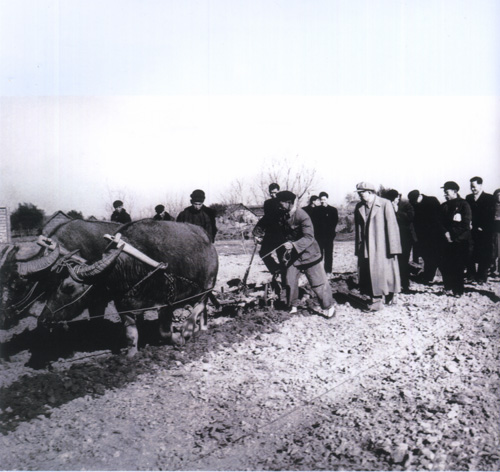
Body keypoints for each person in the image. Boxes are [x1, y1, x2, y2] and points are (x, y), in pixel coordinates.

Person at [273, 190, 336, 318]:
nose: (279, 206)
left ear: (289, 203)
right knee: (290, 281)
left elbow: (309, 237)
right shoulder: (283, 214)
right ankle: (293, 305)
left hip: (309, 254)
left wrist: (294, 245)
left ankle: (329, 306)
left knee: (318, 282)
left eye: (281, 203)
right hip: (293, 256)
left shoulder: (302, 216)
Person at [354, 182, 401, 310]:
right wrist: (358, 248)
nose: (359, 195)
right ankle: (376, 300)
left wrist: (394, 248)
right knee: (369, 272)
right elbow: (358, 229)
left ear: (370, 192)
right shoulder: (359, 206)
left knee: (387, 272)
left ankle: (390, 295)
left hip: (382, 246)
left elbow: (392, 226)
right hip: (366, 247)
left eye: (361, 193)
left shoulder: (385, 204)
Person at [440, 181, 472, 297]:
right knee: (445, 264)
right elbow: (440, 222)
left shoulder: (464, 205)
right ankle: (448, 287)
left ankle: (458, 290)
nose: (445, 194)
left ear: (454, 191)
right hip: (445, 240)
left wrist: (453, 236)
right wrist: (445, 233)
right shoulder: (444, 205)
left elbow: (466, 224)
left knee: (458, 266)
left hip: (460, 241)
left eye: (447, 192)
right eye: (444, 192)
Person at [408, 189, 445, 283]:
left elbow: (439, 217)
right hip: (423, 236)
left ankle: (446, 278)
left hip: (435, 234)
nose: (415, 203)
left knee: (438, 256)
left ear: (419, 196)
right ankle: (428, 276)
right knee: (427, 256)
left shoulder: (432, 201)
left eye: (415, 200)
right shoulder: (414, 204)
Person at [384, 189, 416, 293]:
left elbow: (410, 218)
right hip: (391, 237)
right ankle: (393, 284)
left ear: (398, 197)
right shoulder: (386, 205)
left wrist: (397, 211)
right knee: (392, 261)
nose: (394, 201)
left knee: (403, 261)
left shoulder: (406, 205)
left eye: (395, 199)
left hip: (405, 238)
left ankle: (405, 285)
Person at [465, 176, 495, 284]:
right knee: (470, 252)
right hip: (472, 230)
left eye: (474, 186)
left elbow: (490, 215)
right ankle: (471, 275)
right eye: (471, 187)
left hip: (484, 231)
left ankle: (482, 276)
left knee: (484, 253)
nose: (472, 189)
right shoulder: (468, 198)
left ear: (480, 185)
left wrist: (483, 227)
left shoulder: (489, 198)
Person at [253, 183, 285, 276]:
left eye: (275, 192)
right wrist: (257, 231)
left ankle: (284, 279)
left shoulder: (283, 202)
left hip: (282, 234)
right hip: (270, 233)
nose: (273, 195)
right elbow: (266, 218)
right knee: (263, 253)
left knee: (282, 257)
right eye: (271, 193)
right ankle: (275, 269)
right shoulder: (267, 203)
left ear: (279, 191)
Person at [315, 192, 339, 276]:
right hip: (319, 236)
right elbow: (314, 222)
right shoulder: (316, 210)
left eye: (324, 199)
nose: (323, 201)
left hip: (329, 236)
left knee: (329, 254)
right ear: (319, 200)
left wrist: (331, 233)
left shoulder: (333, 210)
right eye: (321, 200)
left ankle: (328, 271)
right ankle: (319, 271)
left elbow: (335, 222)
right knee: (319, 254)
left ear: (327, 199)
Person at [492, 188, 500, 276]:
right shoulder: (493, 206)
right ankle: (493, 268)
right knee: (494, 250)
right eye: (498, 195)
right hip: (494, 231)